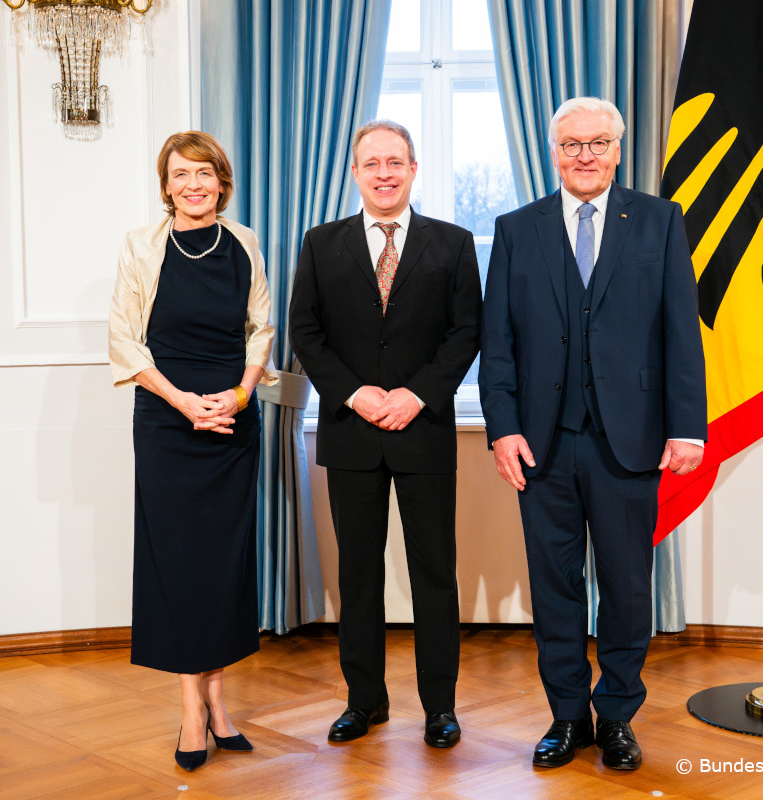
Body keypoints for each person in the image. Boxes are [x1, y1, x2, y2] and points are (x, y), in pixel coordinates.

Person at [478, 97, 707, 770]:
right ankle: (567, 717)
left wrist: (686, 426)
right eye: (571, 144)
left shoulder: (661, 222)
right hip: (541, 446)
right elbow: (499, 343)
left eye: (598, 143)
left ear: (617, 149)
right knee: (555, 587)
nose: (584, 155)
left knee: (627, 587)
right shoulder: (518, 229)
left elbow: (680, 332)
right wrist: (503, 429)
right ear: (553, 152)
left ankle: (618, 718)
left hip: (630, 440)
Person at [288, 120, 482, 749]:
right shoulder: (319, 244)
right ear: (355, 172)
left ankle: (440, 708)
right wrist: (355, 393)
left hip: (424, 431)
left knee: (435, 575)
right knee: (359, 576)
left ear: (413, 167)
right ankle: (364, 701)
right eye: (371, 163)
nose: (384, 173)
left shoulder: (452, 244)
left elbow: (465, 334)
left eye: (394, 161)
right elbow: (306, 333)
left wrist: (416, 393)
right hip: (350, 432)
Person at [108, 131, 277, 772]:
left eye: (204, 173)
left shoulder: (245, 243)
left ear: (221, 182)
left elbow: (261, 329)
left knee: (223, 562)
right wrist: (184, 403)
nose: (194, 185)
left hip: (232, 421)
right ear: (166, 185)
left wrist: (236, 397)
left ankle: (219, 701)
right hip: (167, 422)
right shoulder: (140, 247)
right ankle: (190, 710)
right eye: (181, 174)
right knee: (177, 563)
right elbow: (124, 341)